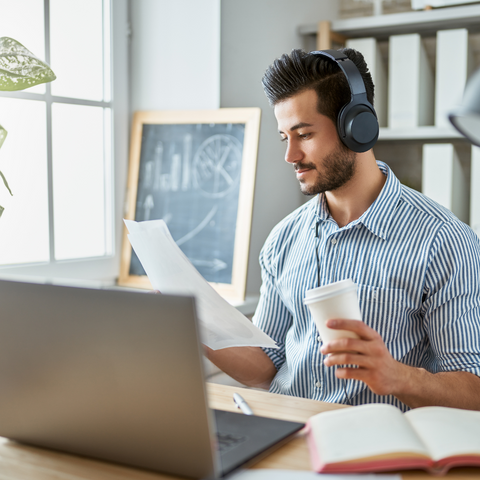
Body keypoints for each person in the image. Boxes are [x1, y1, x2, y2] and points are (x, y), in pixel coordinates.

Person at [205, 48, 480, 411]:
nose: (290, 156)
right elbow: (266, 367)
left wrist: (396, 376)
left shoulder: (444, 242)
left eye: (304, 134)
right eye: (285, 137)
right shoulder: (283, 240)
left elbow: (472, 390)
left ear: (357, 127)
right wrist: (196, 325)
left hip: (379, 449)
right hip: (290, 437)